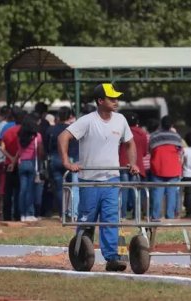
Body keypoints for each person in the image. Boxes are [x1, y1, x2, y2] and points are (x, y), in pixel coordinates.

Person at [58, 83, 139, 272]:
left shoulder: (120, 120)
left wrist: (133, 163)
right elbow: (63, 137)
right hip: (90, 180)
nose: (116, 101)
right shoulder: (87, 121)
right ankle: (81, 254)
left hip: (112, 179)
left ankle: (112, 258)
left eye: (116, 98)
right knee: (87, 220)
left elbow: (130, 143)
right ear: (100, 101)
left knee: (111, 219)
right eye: (112, 98)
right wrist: (67, 162)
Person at [45, 106, 79, 218]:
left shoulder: (51, 129)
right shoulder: (73, 129)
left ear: (58, 116)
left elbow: (46, 147)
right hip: (71, 159)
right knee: (72, 187)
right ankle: (72, 212)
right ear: (70, 116)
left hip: (55, 158)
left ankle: (62, 213)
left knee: (59, 188)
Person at [149, 115, 183, 221]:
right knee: (172, 194)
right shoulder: (176, 137)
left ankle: (155, 216)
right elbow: (180, 151)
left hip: (157, 168)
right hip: (173, 169)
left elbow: (150, 150)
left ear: (161, 124)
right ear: (171, 125)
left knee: (157, 194)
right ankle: (170, 216)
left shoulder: (154, 136)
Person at [119, 112, 148, 219]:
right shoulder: (142, 133)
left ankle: (122, 215)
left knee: (123, 191)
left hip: (123, 165)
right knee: (136, 191)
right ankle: (137, 215)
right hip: (137, 165)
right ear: (137, 122)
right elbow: (145, 152)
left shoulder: (122, 132)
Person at [16, 113, 44, 222]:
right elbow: (40, 152)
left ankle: (22, 214)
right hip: (33, 163)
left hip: (21, 163)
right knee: (30, 190)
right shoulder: (37, 136)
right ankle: (29, 213)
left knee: (22, 190)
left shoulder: (19, 136)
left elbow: (18, 150)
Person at [1, 107, 26, 221]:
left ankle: (6, 215)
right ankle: (17, 214)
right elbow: (20, 148)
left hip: (8, 163)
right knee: (18, 191)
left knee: (8, 191)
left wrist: (10, 158)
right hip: (19, 162)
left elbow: (2, 147)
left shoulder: (7, 131)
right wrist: (14, 159)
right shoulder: (23, 131)